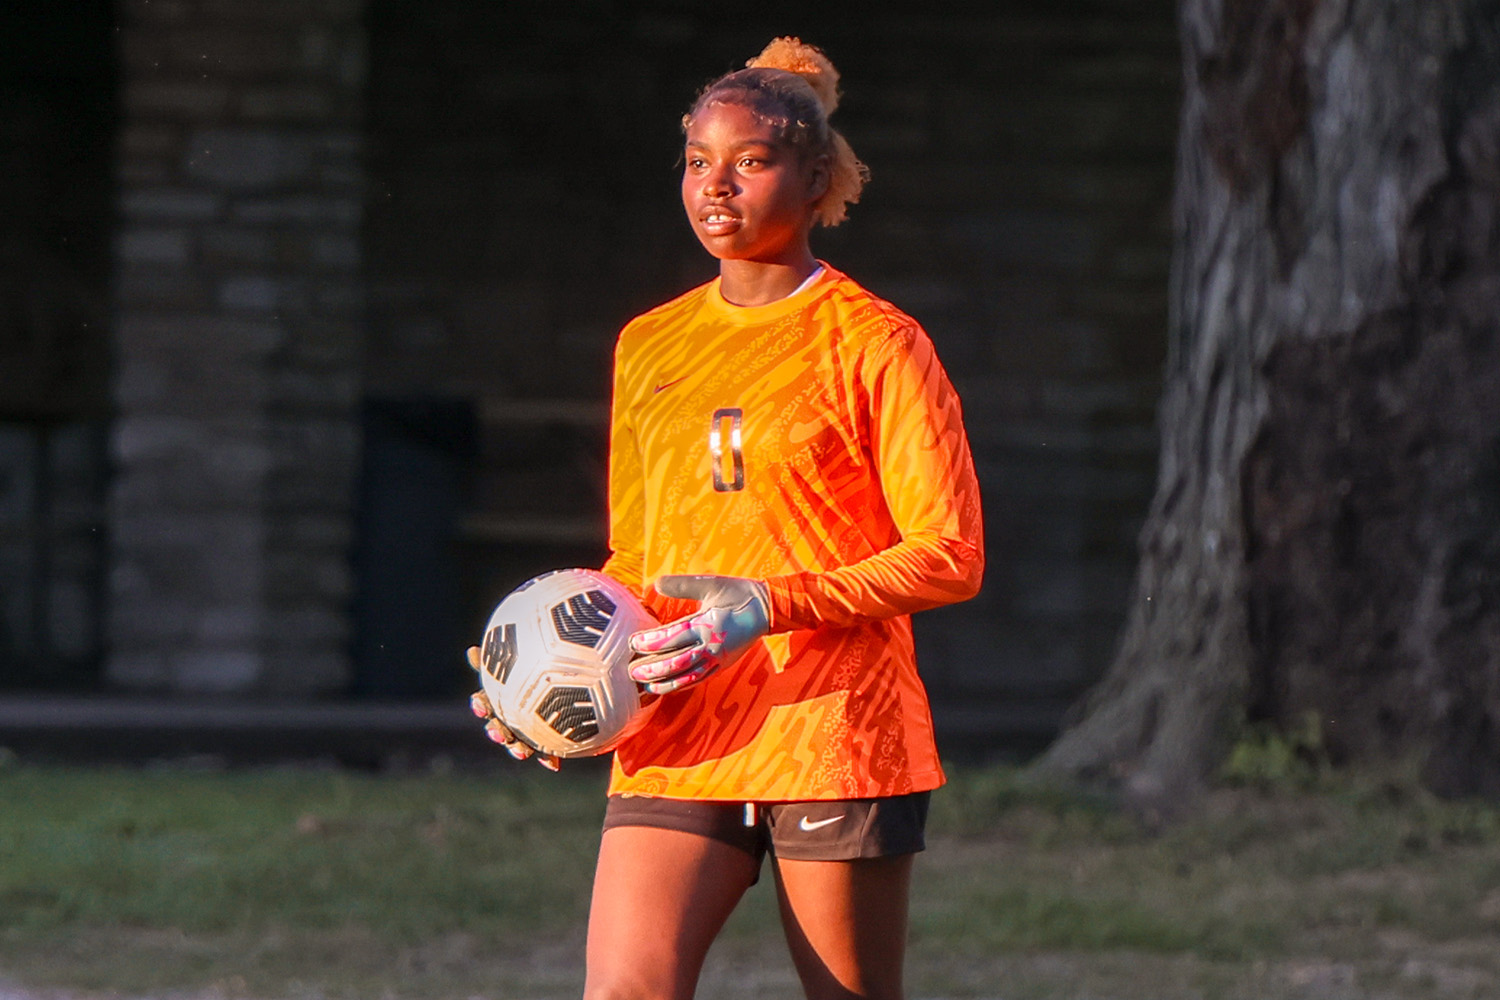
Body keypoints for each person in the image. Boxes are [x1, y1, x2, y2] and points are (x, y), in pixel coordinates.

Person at [469, 37, 984, 1000]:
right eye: (700, 162)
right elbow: (640, 554)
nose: (718, 185)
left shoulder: (877, 341)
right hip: (678, 730)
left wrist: (766, 607)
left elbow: (950, 555)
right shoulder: (650, 342)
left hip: (834, 732)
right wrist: (536, 671)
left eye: (751, 161)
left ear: (819, 176)